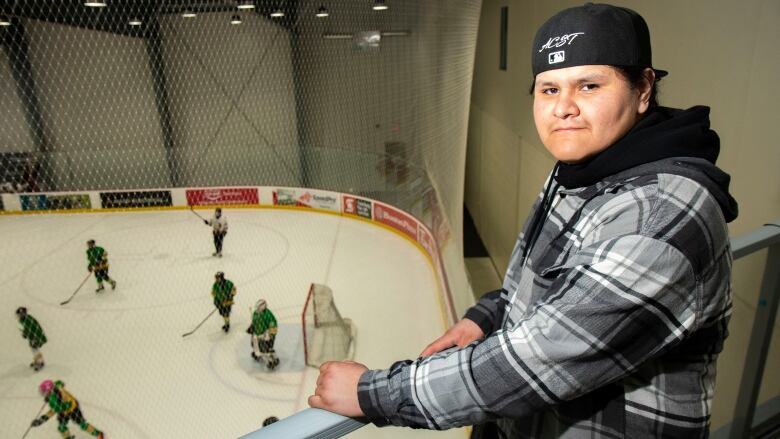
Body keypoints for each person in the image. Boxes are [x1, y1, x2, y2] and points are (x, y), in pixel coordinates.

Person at [309, 3, 738, 438]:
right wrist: (487, 316)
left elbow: (542, 358)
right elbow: (536, 277)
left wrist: (375, 393)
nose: (563, 108)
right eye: (548, 89)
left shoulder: (663, 212)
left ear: (644, 88)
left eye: (588, 85)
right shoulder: (581, 167)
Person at [31, 379, 104, 439]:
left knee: (82, 424)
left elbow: (53, 411)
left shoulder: (59, 395)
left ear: (49, 391)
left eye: (45, 392)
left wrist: (42, 420)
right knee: (61, 427)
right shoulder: (54, 393)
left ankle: (98, 434)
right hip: (63, 410)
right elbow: (59, 383)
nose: (44, 394)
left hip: (73, 409)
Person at [246, 299, 279, 368]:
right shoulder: (255, 313)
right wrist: (251, 327)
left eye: (258, 308)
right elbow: (254, 321)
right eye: (257, 308)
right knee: (254, 344)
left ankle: (271, 360)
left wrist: (269, 335)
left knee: (265, 349)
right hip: (257, 334)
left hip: (265, 336)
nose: (257, 309)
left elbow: (273, 326)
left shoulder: (268, 316)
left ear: (262, 307)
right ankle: (257, 352)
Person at [16, 307, 47, 371]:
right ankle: (38, 360)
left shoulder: (27, 320)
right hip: (33, 336)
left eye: (20, 315)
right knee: (33, 349)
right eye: (19, 315)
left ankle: (40, 362)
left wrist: (25, 334)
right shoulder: (26, 319)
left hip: (35, 336)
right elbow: (28, 328)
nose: (19, 316)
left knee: (34, 348)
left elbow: (29, 329)